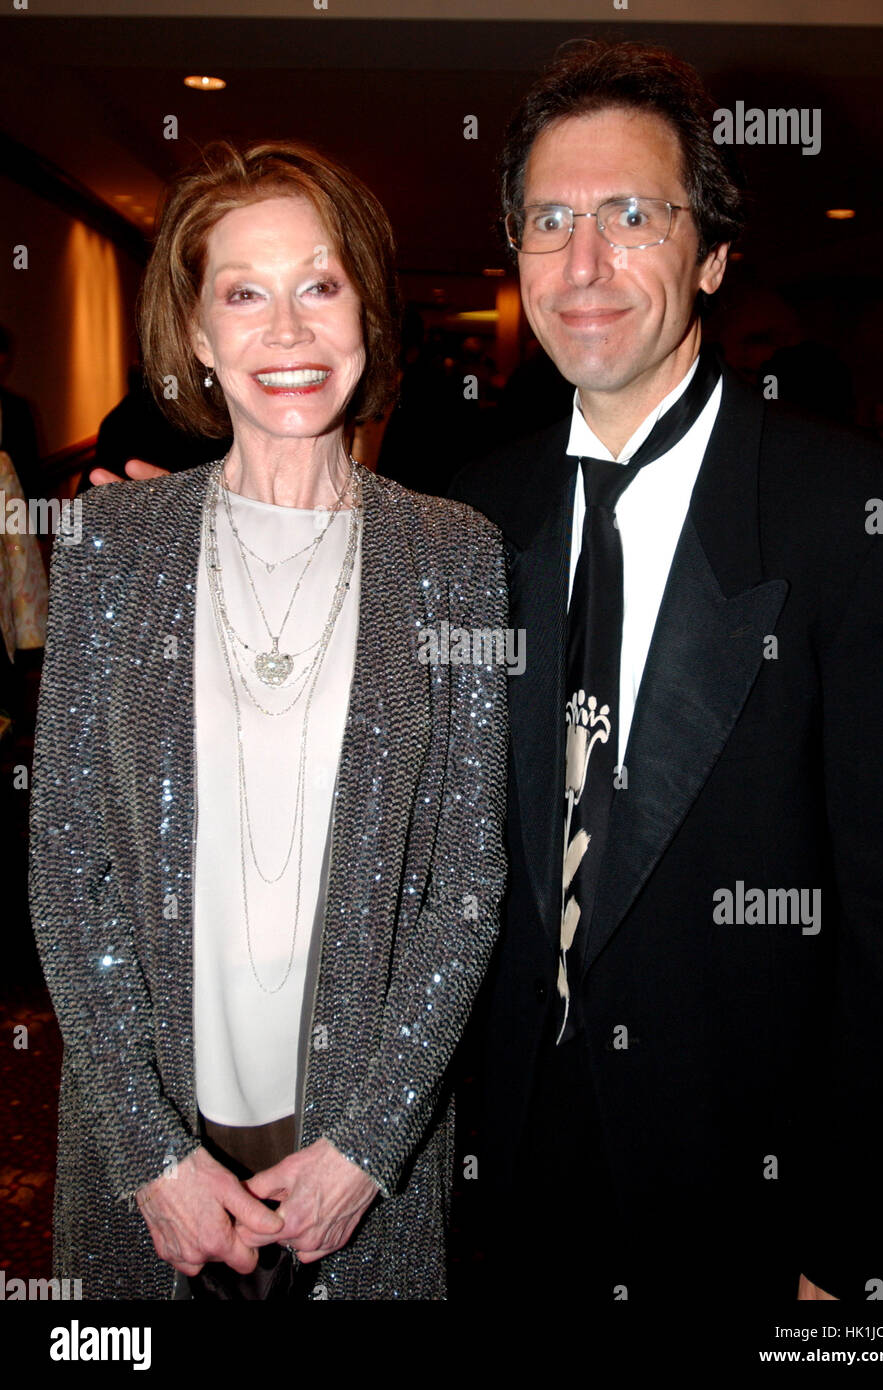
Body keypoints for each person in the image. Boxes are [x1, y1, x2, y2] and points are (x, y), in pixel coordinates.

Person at [450, 41, 883, 1301]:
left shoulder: (857, 518)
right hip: (501, 1171)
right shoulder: (459, 524)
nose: (583, 264)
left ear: (711, 256)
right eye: (548, 221)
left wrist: (850, 1238)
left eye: (631, 215)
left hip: (747, 1194)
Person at [29, 138, 508, 1301]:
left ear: (367, 314)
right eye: (243, 293)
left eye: (320, 284)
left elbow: (464, 881)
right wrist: (152, 1155)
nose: (287, 330)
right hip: (144, 1130)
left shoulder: (454, 555)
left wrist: (367, 1149)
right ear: (195, 335)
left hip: (359, 1141)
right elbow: (66, 865)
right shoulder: (111, 549)